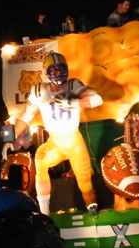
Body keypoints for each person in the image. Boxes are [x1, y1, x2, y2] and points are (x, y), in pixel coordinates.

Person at [14, 52, 103, 216]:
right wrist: (10, 136)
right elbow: (26, 117)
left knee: (85, 185)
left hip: (74, 140)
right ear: (46, 72)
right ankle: (44, 212)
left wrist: (74, 102)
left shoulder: (72, 85)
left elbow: (97, 99)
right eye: (53, 70)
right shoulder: (38, 91)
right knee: (40, 160)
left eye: (61, 69)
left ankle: (93, 209)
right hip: (55, 142)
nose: (58, 74)